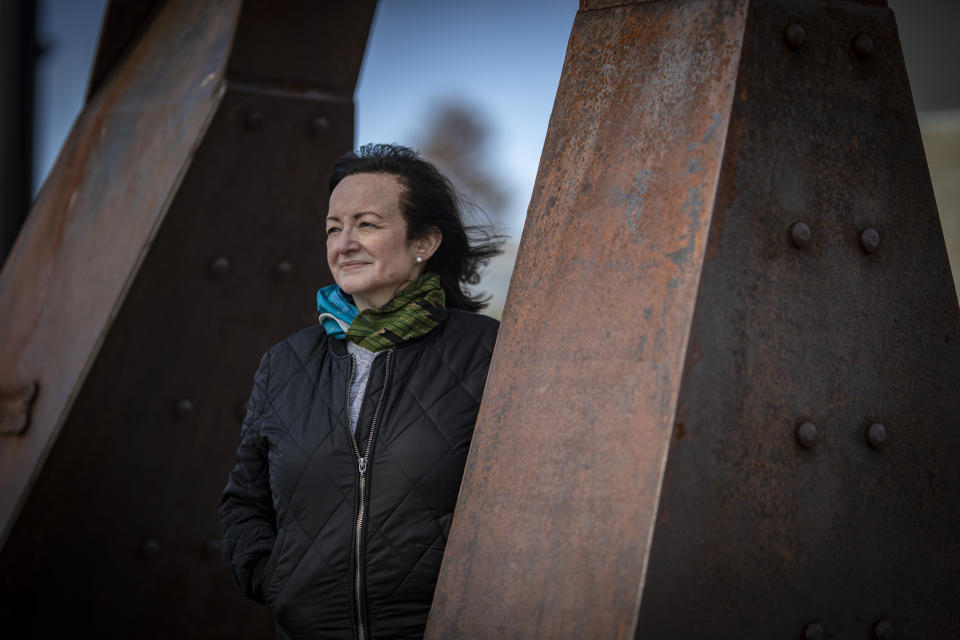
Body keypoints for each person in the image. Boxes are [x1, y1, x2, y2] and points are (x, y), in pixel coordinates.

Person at [218, 143, 503, 639]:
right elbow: (245, 500)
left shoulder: (487, 351)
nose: (343, 243)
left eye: (367, 224)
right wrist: (276, 579)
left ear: (425, 241)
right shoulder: (285, 363)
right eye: (333, 228)